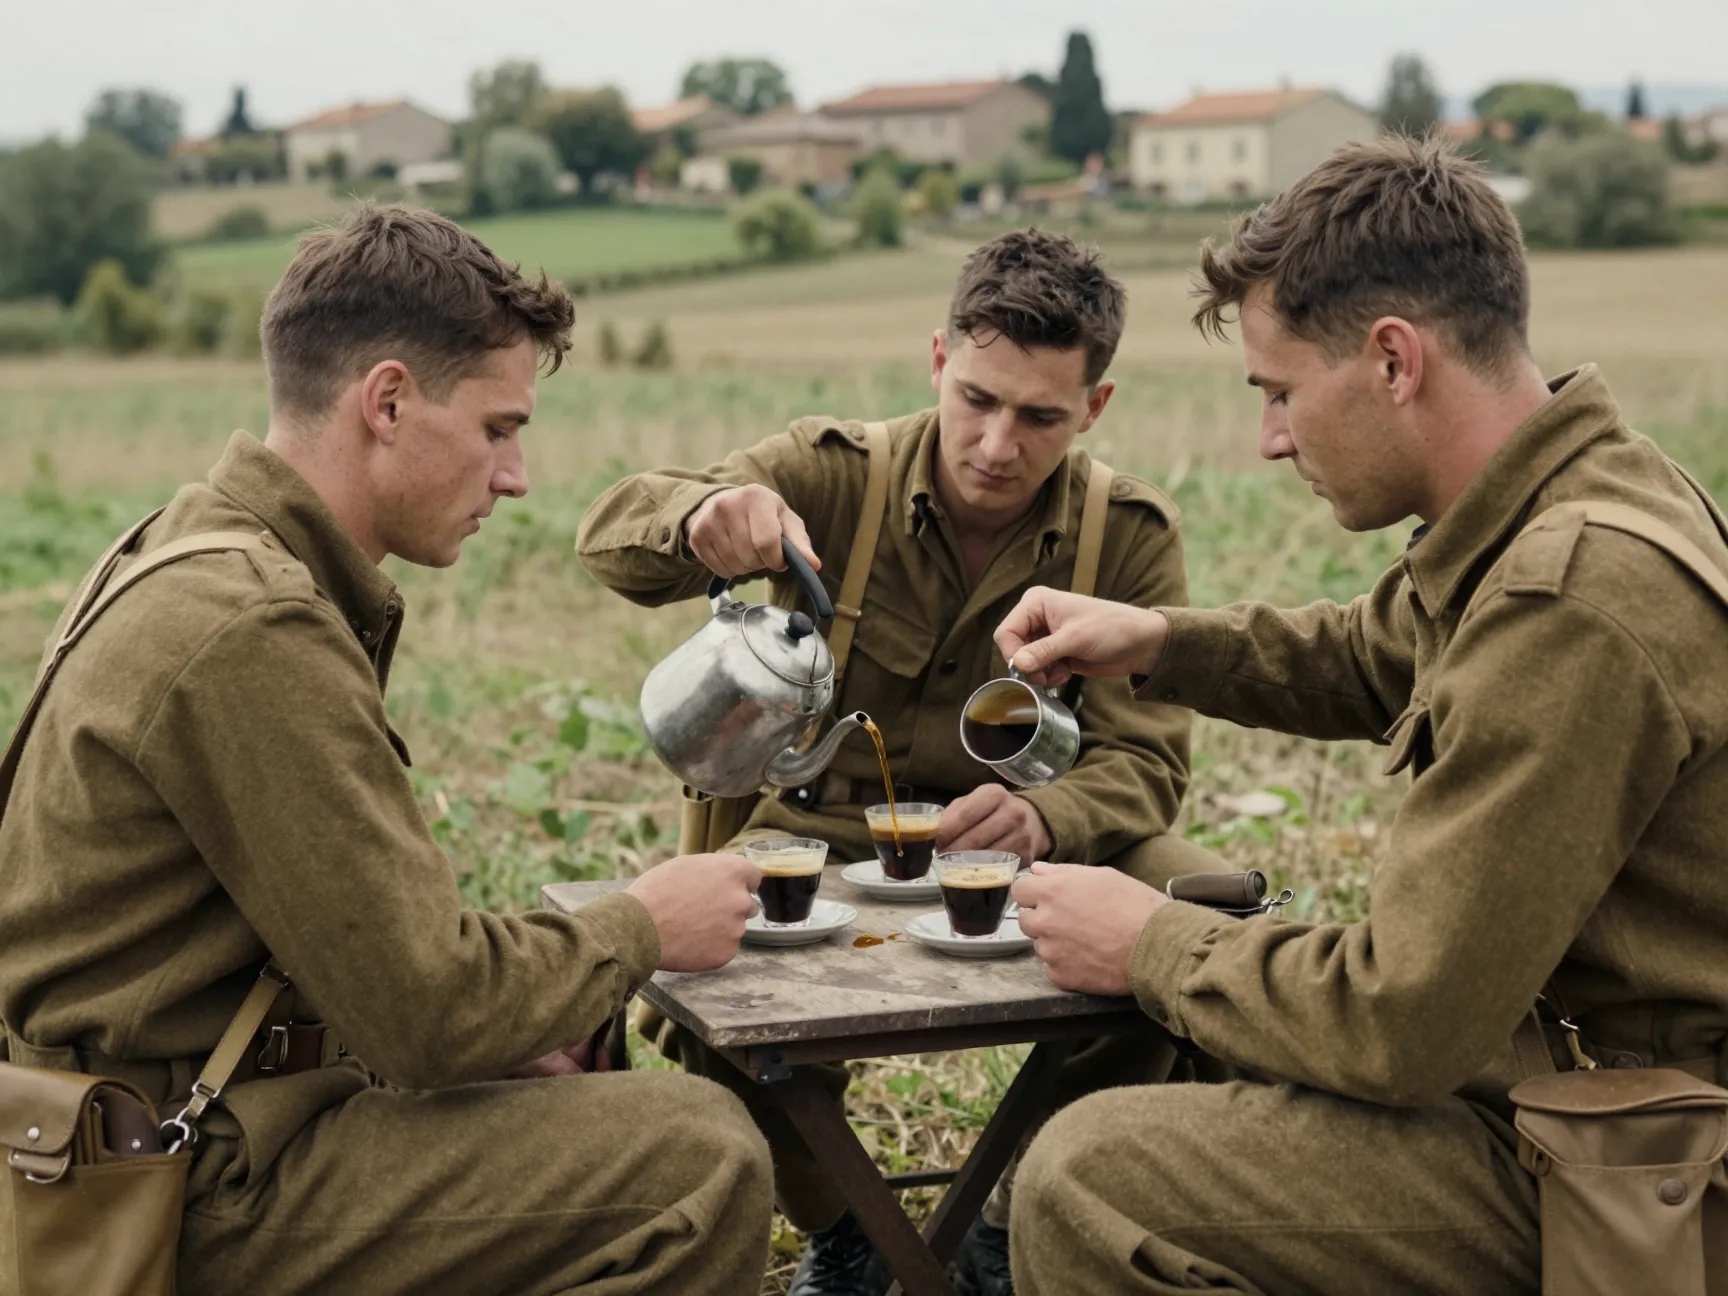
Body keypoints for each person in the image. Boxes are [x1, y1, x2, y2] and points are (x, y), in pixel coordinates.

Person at [994, 135, 1728, 1294]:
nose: (1272, 438)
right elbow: (1376, 652)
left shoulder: (1570, 600)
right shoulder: (1573, 495)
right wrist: (1158, 641)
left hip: (1635, 1157)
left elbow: (1401, 1019)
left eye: (1282, 392)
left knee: (1094, 1174)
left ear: (1393, 360)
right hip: (1573, 1091)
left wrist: (1147, 942)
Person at [0, 204, 775, 1295]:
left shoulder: (191, 548)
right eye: (500, 429)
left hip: (154, 1124)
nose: (516, 477)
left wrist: (523, 1026)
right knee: (697, 1158)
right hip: (181, 1180)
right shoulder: (251, 626)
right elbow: (430, 1011)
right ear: (390, 402)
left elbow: (342, 948)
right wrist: (644, 923)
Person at [578, 229, 1216, 1295]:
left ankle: (1019, 1221)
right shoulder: (832, 475)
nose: (998, 444)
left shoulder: (1127, 532)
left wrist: (1047, 820)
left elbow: (1146, 765)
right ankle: (854, 1230)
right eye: (977, 399)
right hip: (816, 831)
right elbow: (609, 531)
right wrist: (699, 516)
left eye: (1040, 416)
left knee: (1190, 916)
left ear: (1094, 410)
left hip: (1014, 845)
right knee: (702, 974)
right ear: (936, 360)